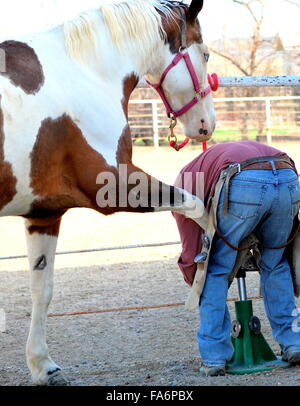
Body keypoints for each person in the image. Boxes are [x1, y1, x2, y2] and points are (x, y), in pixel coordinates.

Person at [173, 140, 300, 376]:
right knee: (275, 263)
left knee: (215, 269)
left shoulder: (185, 182)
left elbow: (193, 247)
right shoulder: (206, 164)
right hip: (287, 176)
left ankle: (214, 357)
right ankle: (294, 343)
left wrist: (192, 271)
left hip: (243, 181)